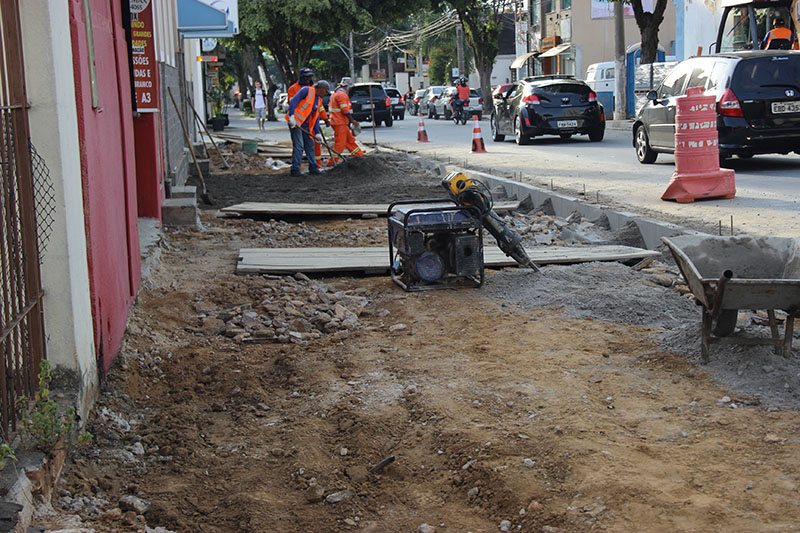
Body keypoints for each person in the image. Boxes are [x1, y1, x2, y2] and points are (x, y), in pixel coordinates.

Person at [286, 80, 330, 176]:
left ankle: (313, 167)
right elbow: (293, 101)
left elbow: (316, 116)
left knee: (310, 145)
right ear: (321, 88)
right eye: (326, 91)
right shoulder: (306, 90)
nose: (326, 94)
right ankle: (295, 169)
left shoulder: (318, 100)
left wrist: (317, 132)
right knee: (299, 145)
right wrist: (292, 116)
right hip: (296, 122)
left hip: (306, 125)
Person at [327, 77, 364, 166]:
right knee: (340, 143)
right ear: (347, 86)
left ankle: (360, 156)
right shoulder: (342, 95)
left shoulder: (335, 94)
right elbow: (345, 110)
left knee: (350, 140)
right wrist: (352, 121)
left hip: (337, 122)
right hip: (340, 122)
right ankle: (331, 163)